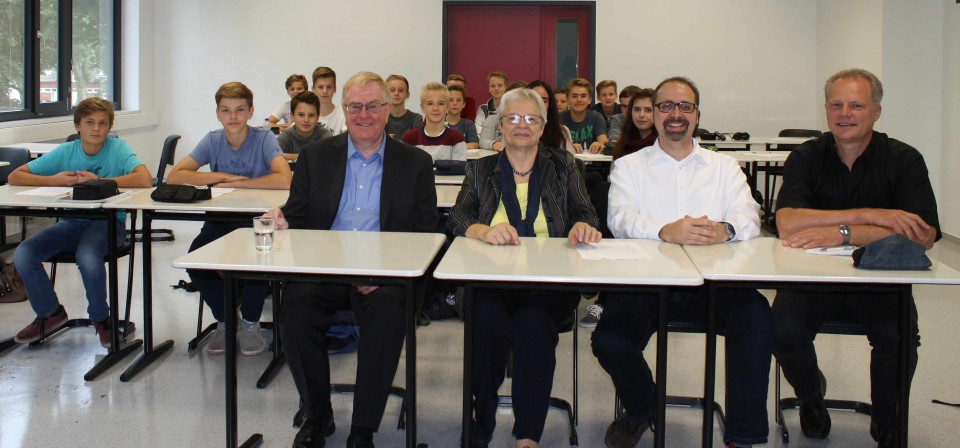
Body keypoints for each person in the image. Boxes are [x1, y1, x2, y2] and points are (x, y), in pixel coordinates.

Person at [592, 77, 771, 448]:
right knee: (609, 340)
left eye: (684, 107)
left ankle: (743, 434)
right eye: (667, 106)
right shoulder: (629, 166)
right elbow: (619, 219)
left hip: (714, 282)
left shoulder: (724, 167)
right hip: (645, 282)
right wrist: (664, 230)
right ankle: (644, 407)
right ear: (653, 114)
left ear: (697, 114)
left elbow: (751, 217)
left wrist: (726, 228)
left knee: (757, 318)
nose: (676, 114)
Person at [267, 71, 438, 448]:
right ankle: (317, 415)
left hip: (384, 275)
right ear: (344, 111)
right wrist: (281, 219)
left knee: (390, 312)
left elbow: (427, 235)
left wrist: (388, 274)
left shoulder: (415, 163)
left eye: (373, 106)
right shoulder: (316, 157)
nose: (364, 114)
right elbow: (297, 213)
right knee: (295, 309)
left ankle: (363, 428)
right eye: (356, 106)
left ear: (388, 110)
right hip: (325, 271)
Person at [773, 68, 940, 448]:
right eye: (836, 104)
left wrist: (841, 233)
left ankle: (887, 422)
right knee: (781, 331)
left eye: (857, 105)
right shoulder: (806, 157)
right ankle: (812, 397)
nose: (845, 112)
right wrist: (875, 216)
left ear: (877, 112)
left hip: (880, 279)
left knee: (897, 337)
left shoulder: (904, 159)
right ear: (826, 109)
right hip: (810, 276)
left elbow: (923, 233)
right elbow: (787, 223)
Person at [449, 87, 601, 448]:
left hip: (547, 281)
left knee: (533, 324)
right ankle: (481, 423)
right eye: (513, 117)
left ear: (543, 125)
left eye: (531, 118)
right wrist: (482, 230)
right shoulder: (481, 167)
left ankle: (528, 435)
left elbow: (586, 212)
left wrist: (583, 226)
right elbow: (457, 216)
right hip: (490, 277)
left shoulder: (565, 166)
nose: (521, 125)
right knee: (487, 319)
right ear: (499, 124)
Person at [11, 97, 153, 347]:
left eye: (102, 123)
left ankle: (102, 320)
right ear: (78, 126)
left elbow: (144, 179)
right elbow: (15, 176)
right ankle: (50, 313)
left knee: (87, 255)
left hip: (108, 225)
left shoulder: (118, 149)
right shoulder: (67, 151)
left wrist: (99, 181)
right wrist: (57, 181)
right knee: (24, 253)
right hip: (70, 223)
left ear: (109, 128)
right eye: (89, 123)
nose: (96, 129)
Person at [167, 81, 292, 356]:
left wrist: (243, 184)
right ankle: (226, 319)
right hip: (220, 220)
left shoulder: (264, 138)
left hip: (256, 219)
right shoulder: (212, 140)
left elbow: (285, 179)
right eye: (226, 110)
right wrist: (222, 178)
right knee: (195, 262)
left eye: (239, 110)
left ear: (250, 111)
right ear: (218, 113)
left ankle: (250, 322)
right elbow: (175, 176)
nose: (233, 116)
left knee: (258, 264)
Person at [401, 82, 467, 161]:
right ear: (422, 107)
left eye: (441, 103)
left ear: (447, 107)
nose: (435, 108)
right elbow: (403, 170)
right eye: (430, 103)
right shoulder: (409, 138)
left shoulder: (457, 139)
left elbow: (458, 171)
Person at [278, 91, 333, 160]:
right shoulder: (285, 137)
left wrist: (290, 156)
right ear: (292, 116)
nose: (306, 120)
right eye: (301, 115)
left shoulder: (326, 136)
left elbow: (329, 156)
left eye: (311, 115)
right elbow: (274, 158)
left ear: (317, 117)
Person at [526, 80, 575, 154]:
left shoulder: (561, 131)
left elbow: (569, 163)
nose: (539, 104)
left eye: (544, 101)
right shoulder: (515, 128)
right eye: (534, 99)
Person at [561, 78, 608, 154]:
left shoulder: (596, 117)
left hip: (592, 164)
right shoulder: (559, 118)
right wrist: (568, 147)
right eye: (574, 96)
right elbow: (553, 145)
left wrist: (600, 145)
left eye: (583, 96)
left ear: (589, 100)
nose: (579, 100)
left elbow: (604, 142)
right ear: (567, 99)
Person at [611, 88, 657, 160]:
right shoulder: (622, 145)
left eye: (648, 110)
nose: (641, 115)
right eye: (637, 109)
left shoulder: (663, 146)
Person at [385, 74, 423, 138]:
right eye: (392, 90)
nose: (396, 94)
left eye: (401, 90)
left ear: (407, 94)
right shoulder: (381, 118)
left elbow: (416, 142)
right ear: (385, 93)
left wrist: (389, 141)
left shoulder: (416, 119)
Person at [312, 66, 347, 135]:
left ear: (334, 89)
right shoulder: (307, 115)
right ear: (313, 89)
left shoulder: (343, 113)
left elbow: (346, 140)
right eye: (320, 87)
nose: (325, 91)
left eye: (329, 87)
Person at [446, 84, 480, 148]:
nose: (455, 103)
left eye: (459, 100)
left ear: (464, 104)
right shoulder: (438, 123)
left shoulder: (468, 124)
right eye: (451, 100)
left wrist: (454, 147)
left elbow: (475, 144)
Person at [475, 71, 507, 138]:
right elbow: (477, 129)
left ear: (505, 87)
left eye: (500, 85)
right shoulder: (483, 109)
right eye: (492, 86)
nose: (496, 89)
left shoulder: (511, 108)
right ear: (489, 89)